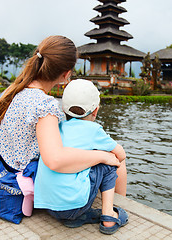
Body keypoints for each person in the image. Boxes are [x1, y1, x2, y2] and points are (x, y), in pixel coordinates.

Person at [0, 35, 123, 224]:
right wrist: (102, 156)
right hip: (20, 189)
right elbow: (55, 160)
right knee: (114, 162)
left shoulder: (13, 92)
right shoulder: (44, 104)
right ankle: (113, 209)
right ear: (66, 74)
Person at [34, 79, 128, 235]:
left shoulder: (56, 128)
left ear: (63, 109)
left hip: (47, 206)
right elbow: (121, 154)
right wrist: (104, 155)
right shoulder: (94, 130)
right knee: (110, 160)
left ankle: (76, 217)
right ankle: (109, 215)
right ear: (95, 110)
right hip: (73, 207)